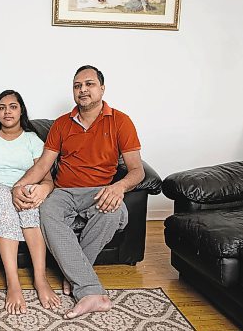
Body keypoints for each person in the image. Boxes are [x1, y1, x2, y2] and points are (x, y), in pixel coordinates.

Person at [12, 65, 145, 319]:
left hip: (99, 191)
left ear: (102, 88)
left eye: (89, 84)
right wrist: (18, 186)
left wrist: (118, 187)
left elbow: (137, 171)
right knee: (47, 210)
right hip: (64, 192)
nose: (82, 90)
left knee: (113, 212)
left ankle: (79, 281)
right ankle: (86, 285)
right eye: (77, 86)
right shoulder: (62, 124)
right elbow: (43, 165)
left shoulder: (121, 121)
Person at [0, 90, 61, 315]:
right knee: (2, 197)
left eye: (13, 106)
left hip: (25, 187)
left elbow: (46, 177)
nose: (7, 111)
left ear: (21, 110)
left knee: (29, 197)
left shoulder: (32, 139)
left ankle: (40, 279)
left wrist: (41, 189)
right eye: (2, 107)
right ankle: (13, 283)